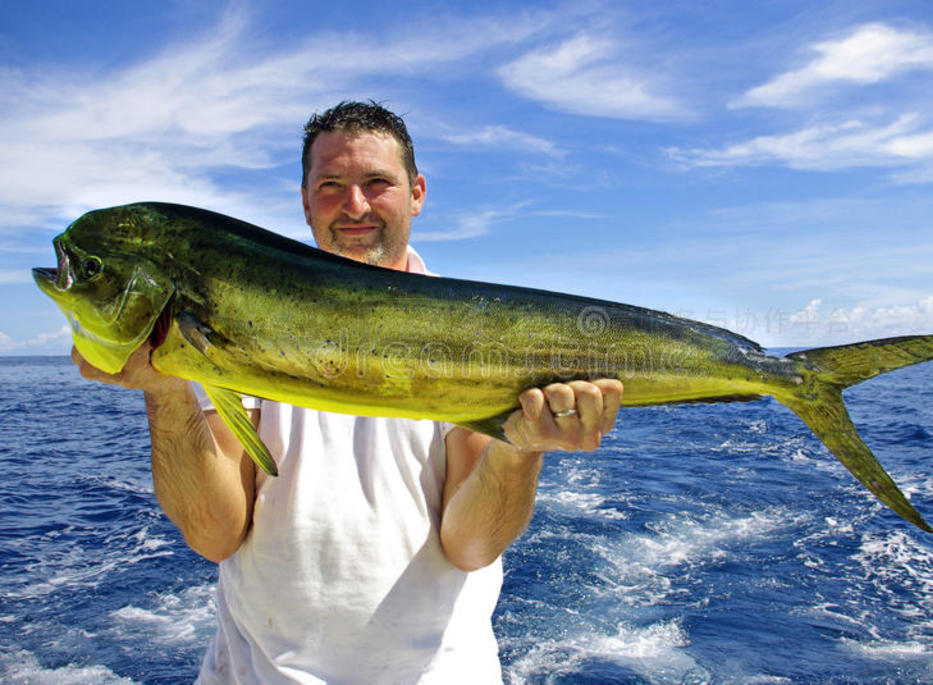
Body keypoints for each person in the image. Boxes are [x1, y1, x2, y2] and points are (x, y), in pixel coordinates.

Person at [73, 100, 624, 683]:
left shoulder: (474, 336)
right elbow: (216, 532)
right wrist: (165, 393)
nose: (355, 205)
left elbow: (470, 546)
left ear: (416, 194)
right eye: (331, 184)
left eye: (376, 183)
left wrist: (519, 447)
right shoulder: (234, 315)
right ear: (305, 198)